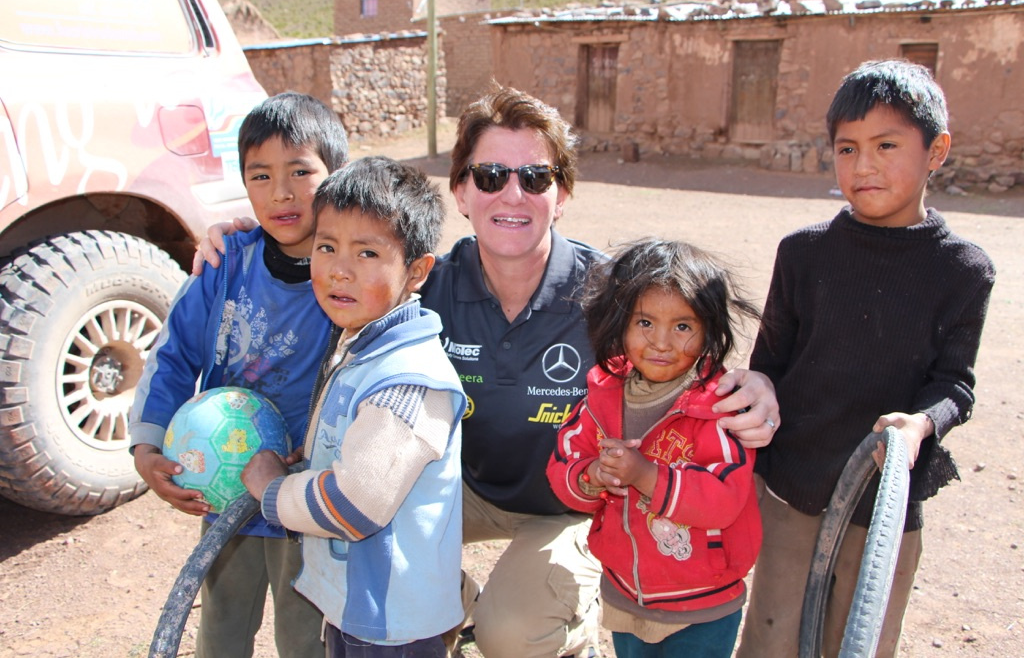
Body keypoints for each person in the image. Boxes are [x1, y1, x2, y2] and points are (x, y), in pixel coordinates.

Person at [197, 85, 781, 658]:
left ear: (563, 193)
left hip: (571, 502)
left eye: (536, 178)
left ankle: (558, 626)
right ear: (460, 191)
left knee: (512, 634)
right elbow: (347, 248)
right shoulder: (426, 284)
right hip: (461, 490)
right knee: (369, 556)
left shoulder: (610, 292)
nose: (513, 194)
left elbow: (681, 347)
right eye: (490, 175)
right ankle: (454, 606)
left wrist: (751, 382)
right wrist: (253, 239)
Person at [736, 59, 996, 658]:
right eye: (847, 149)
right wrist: (756, 391)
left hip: (884, 506)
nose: (864, 166)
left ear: (936, 152)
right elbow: (769, 363)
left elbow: (955, 385)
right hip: (792, 490)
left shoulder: (963, 270)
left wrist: (919, 426)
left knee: (858, 643)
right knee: (772, 637)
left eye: (886, 145)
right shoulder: (803, 254)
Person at [129, 91, 348, 658]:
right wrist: (147, 447)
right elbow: (174, 355)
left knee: (304, 636)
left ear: (336, 176)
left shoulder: (351, 274)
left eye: (301, 172)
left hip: (308, 492)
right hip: (224, 479)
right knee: (222, 627)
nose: (281, 193)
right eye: (261, 176)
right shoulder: (224, 264)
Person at [240, 156, 466, 657]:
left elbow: (354, 504)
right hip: (359, 605)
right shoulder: (362, 345)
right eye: (326, 247)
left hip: (391, 622)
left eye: (367, 253)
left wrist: (272, 490)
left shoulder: (407, 381)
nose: (339, 270)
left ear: (416, 271)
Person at [546, 238, 763, 658]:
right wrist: (593, 476)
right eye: (645, 322)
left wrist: (646, 475)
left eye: (682, 326)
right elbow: (563, 466)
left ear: (709, 330)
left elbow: (725, 498)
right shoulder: (600, 397)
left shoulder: (719, 408)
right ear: (620, 322)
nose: (661, 342)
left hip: (703, 603)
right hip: (624, 593)